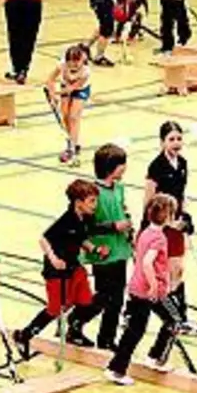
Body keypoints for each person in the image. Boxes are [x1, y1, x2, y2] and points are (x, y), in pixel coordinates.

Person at [104, 193, 184, 385]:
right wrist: (155, 285)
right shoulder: (159, 238)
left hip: (137, 287)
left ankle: (117, 368)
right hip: (151, 291)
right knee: (174, 320)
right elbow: (148, 262)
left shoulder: (146, 232)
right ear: (167, 216)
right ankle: (156, 358)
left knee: (134, 330)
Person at [14, 180, 99, 357]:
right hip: (57, 271)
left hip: (74, 267)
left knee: (86, 301)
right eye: (91, 201)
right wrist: (53, 259)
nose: (95, 205)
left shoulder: (84, 218)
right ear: (78, 202)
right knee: (55, 308)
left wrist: (94, 249)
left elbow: (80, 239)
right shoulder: (66, 220)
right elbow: (44, 239)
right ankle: (24, 335)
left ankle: (73, 329)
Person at [70, 145, 134, 350]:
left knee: (117, 299)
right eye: (121, 164)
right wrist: (114, 226)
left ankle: (106, 339)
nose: (124, 168)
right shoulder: (93, 193)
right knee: (105, 295)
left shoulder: (119, 188)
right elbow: (86, 227)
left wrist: (129, 233)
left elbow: (122, 212)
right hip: (102, 251)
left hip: (120, 249)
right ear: (110, 167)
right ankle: (77, 319)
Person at [145, 121, 197, 336]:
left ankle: (181, 318)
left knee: (177, 270)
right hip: (160, 227)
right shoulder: (156, 166)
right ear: (162, 142)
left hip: (176, 225)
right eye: (171, 139)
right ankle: (134, 312)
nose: (176, 143)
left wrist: (185, 215)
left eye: (179, 138)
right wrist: (162, 223)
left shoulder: (183, 163)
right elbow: (150, 201)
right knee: (162, 273)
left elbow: (181, 194)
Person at [45, 44, 92, 166]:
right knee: (65, 116)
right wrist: (52, 95)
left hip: (81, 90)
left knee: (73, 117)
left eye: (76, 63)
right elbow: (50, 79)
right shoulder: (61, 65)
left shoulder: (86, 71)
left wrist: (57, 93)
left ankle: (72, 146)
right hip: (65, 86)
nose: (72, 66)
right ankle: (72, 141)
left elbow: (72, 89)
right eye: (70, 62)